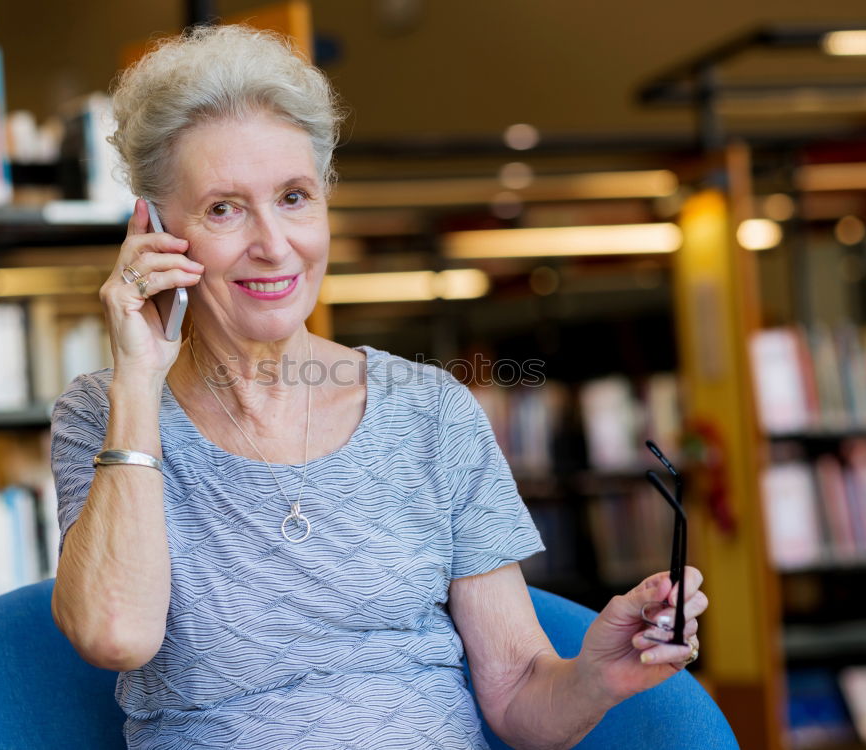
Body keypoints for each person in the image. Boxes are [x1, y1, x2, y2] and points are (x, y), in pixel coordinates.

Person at [49, 24, 708, 750]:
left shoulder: (431, 411)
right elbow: (115, 634)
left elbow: (520, 694)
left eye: (295, 197)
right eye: (224, 209)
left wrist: (596, 675)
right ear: (152, 228)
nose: (274, 244)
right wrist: (139, 381)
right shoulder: (103, 414)